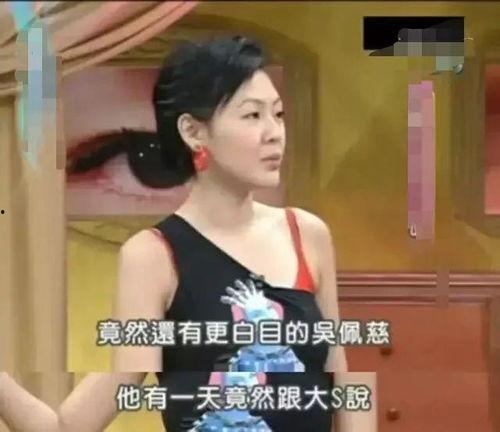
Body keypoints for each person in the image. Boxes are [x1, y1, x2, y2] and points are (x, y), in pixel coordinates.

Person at [0, 35, 377, 432]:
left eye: (278, 115)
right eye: (253, 115)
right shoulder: (153, 256)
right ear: (193, 131)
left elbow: (341, 378)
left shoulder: (307, 234)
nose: (274, 133)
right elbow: (68, 426)